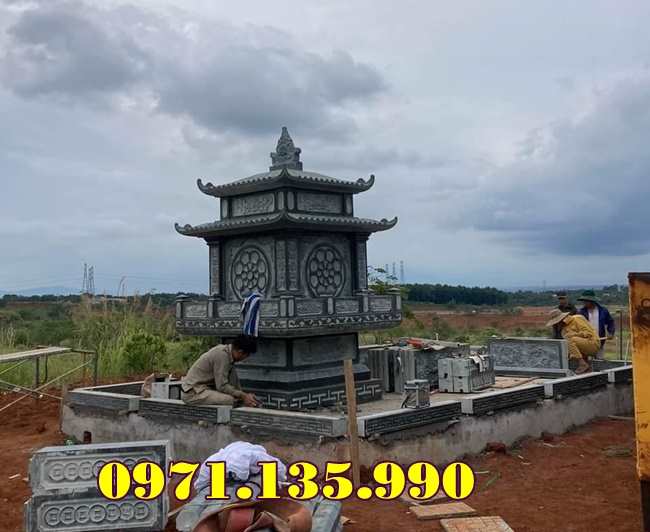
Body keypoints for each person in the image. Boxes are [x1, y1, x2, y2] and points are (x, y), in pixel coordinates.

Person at [181, 335, 261, 407]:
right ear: (240, 352)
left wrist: (246, 396)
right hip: (193, 393)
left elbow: (234, 384)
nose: (245, 359)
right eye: (246, 355)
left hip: (204, 389)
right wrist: (243, 396)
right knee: (230, 400)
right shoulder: (222, 355)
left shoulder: (230, 357)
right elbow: (222, 386)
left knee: (238, 398)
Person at [546, 308, 600, 374]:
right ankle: (585, 364)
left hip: (592, 343)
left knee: (570, 339)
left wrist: (574, 334)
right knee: (566, 343)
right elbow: (571, 347)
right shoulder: (563, 329)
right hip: (582, 348)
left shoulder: (577, 318)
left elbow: (588, 333)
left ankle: (582, 364)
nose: (557, 324)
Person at [577, 289, 615, 359]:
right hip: (586, 343)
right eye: (583, 301)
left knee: (599, 361)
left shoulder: (603, 311)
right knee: (586, 362)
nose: (584, 303)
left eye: (586, 301)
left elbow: (610, 322)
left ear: (592, 301)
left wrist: (611, 332)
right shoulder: (581, 312)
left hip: (599, 341)